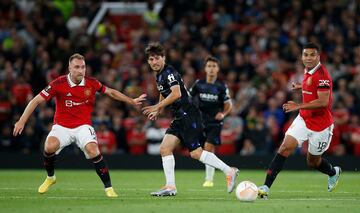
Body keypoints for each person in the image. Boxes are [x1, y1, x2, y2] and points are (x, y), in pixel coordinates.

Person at [13, 53, 146, 198]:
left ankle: (109, 188)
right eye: (77, 67)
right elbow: (36, 100)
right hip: (62, 126)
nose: (81, 70)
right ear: (69, 68)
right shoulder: (58, 83)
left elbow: (111, 92)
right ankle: (51, 178)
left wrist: (131, 101)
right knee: (49, 146)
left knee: (93, 150)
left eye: (83, 67)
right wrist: (22, 120)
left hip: (83, 126)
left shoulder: (92, 83)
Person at [142, 43, 239, 196]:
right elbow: (163, 92)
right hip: (180, 116)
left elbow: (176, 94)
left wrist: (157, 106)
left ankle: (229, 171)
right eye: (151, 59)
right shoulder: (159, 75)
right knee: (165, 148)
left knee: (196, 153)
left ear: (164, 58)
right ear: (148, 61)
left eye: (157, 58)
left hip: (188, 115)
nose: (154, 62)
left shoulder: (169, 72)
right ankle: (170, 187)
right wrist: (159, 109)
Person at [257, 42, 341, 199]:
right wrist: (301, 87)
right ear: (302, 56)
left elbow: (323, 102)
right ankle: (265, 187)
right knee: (284, 148)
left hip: (321, 126)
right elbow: (311, 87)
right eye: (305, 55)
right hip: (304, 119)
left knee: (313, 162)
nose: (308, 58)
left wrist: (298, 105)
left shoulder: (323, 75)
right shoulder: (308, 70)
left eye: (312, 55)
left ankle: (333, 172)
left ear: (318, 56)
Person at [189, 56, 232, 187]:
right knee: (202, 151)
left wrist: (223, 114)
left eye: (214, 66)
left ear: (218, 69)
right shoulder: (198, 84)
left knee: (208, 148)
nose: (211, 69)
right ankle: (214, 175)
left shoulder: (221, 86)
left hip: (215, 122)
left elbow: (228, 104)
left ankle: (209, 179)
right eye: (209, 66)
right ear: (205, 68)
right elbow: (188, 98)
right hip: (200, 121)